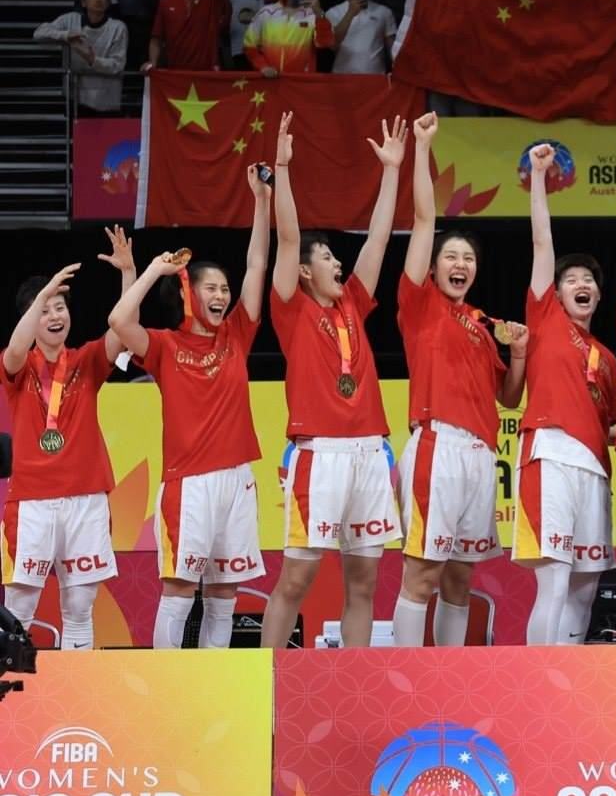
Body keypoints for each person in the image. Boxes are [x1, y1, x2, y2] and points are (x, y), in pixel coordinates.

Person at [259, 112, 407, 649]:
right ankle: (265, 681)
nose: (337, 261)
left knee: (363, 584)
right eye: (326, 256)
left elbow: (379, 240)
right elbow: (289, 238)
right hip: (319, 455)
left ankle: (355, 681)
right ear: (305, 271)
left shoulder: (354, 302)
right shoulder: (291, 307)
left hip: (369, 451)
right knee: (296, 581)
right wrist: (282, 169)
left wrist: (392, 171)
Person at [107, 172, 272, 649]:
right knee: (180, 592)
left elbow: (257, 263)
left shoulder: (236, 334)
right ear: (187, 294)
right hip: (188, 486)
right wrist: (153, 270)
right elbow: (118, 319)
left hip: (237, 481)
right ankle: (168, 682)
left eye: (224, 288)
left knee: (224, 595)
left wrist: (262, 201)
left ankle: (214, 679)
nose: (221, 296)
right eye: (210, 288)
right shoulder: (163, 346)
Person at [390, 113, 527, 648]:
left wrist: (518, 353)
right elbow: (425, 219)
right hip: (437, 445)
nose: (460, 263)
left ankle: (447, 674)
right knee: (423, 572)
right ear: (433, 267)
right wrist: (423, 148)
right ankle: (407, 672)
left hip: (480, 454)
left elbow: (509, 398)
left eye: (468, 258)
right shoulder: (419, 304)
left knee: (460, 577)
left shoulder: (483, 325)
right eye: (451, 256)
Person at [1, 229, 137, 650]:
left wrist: (129, 273)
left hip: (86, 499)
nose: (54, 315)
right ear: (31, 317)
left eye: (60, 307)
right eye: (45, 310)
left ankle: (75, 683)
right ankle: (11, 687)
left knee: (79, 606)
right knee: (20, 607)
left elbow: (123, 327)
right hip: (32, 503)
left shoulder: (87, 361)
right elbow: (16, 347)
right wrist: (43, 294)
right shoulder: (18, 366)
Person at [515, 144, 616, 646]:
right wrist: (539, 177)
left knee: (586, 585)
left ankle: (570, 674)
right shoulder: (546, 320)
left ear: (598, 295)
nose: (581, 284)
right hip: (551, 454)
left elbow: (615, 425)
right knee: (555, 580)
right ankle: (538, 677)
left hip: (595, 469)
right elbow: (541, 243)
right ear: (556, 294)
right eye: (571, 280)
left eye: (588, 281)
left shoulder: (609, 360)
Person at [34, 0, 129, 116]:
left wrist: (92, 60)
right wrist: (66, 35)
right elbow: (39, 33)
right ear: (84, 2)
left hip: (106, 102)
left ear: (108, 2)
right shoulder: (70, 20)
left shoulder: (118, 28)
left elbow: (117, 65)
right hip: (75, 99)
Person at [244, 0, 334, 76]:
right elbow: (249, 46)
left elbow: (325, 43)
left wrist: (319, 13)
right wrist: (263, 66)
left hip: (300, 80)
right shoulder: (266, 12)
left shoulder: (314, 15)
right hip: (270, 79)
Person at [326, 0, 396, 74]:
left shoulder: (384, 12)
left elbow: (392, 48)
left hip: (375, 76)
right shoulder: (333, 12)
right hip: (342, 75)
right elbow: (333, 44)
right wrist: (350, 13)